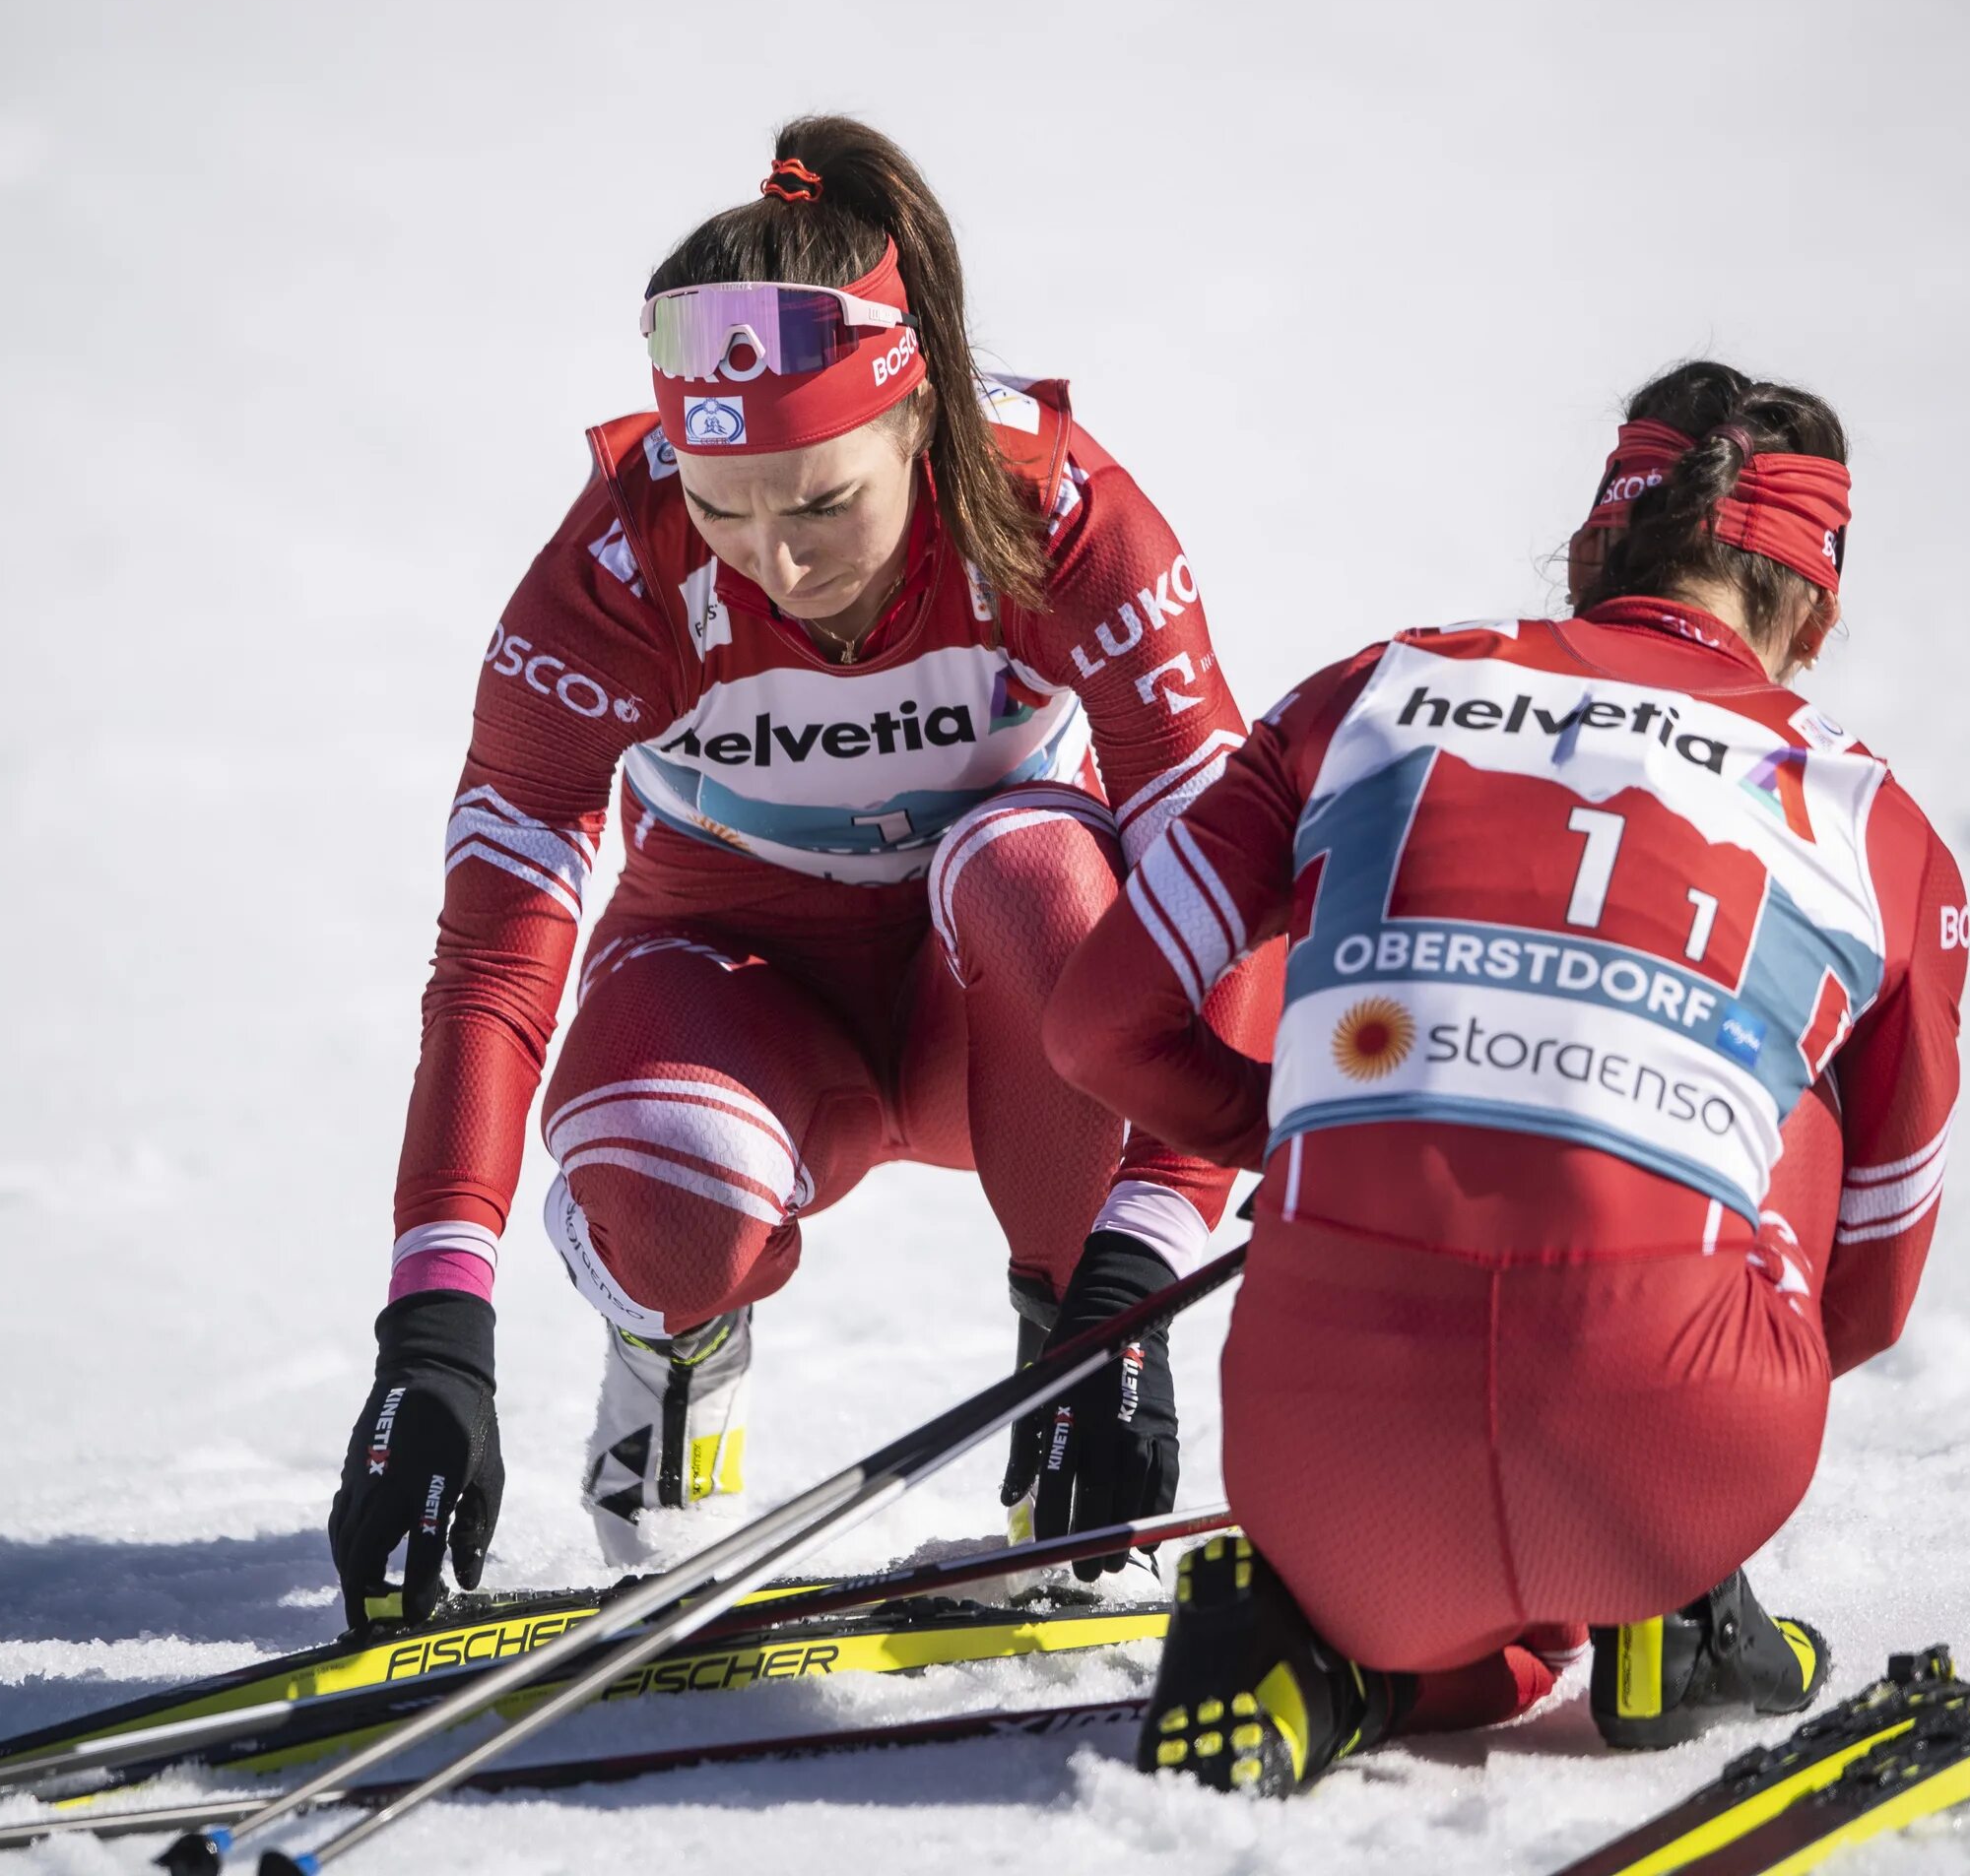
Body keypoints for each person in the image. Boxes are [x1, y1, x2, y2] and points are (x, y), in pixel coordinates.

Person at [323, 117, 1274, 1631]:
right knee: (679, 1200)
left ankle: (1065, 1356)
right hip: (739, 986)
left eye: (822, 500)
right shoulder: (617, 570)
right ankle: (671, 1328)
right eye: (723, 502)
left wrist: (1137, 1277)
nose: (776, 559)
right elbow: (499, 954)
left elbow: (1224, 884)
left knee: (1037, 866)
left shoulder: (1055, 511)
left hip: (1012, 1026)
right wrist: (433, 1331)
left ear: (919, 424)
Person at [1046, 361, 1970, 1792]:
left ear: (1596, 546)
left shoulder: (1380, 683)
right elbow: (1869, 1298)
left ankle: (1351, 1655)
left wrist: (1299, 1135)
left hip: (1315, 1452)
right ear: (1816, 613)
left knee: (1367, 994)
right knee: (1786, 1075)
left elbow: (1098, 1029)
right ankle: (1670, 1602)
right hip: (1681, 1451)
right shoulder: (1870, 810)